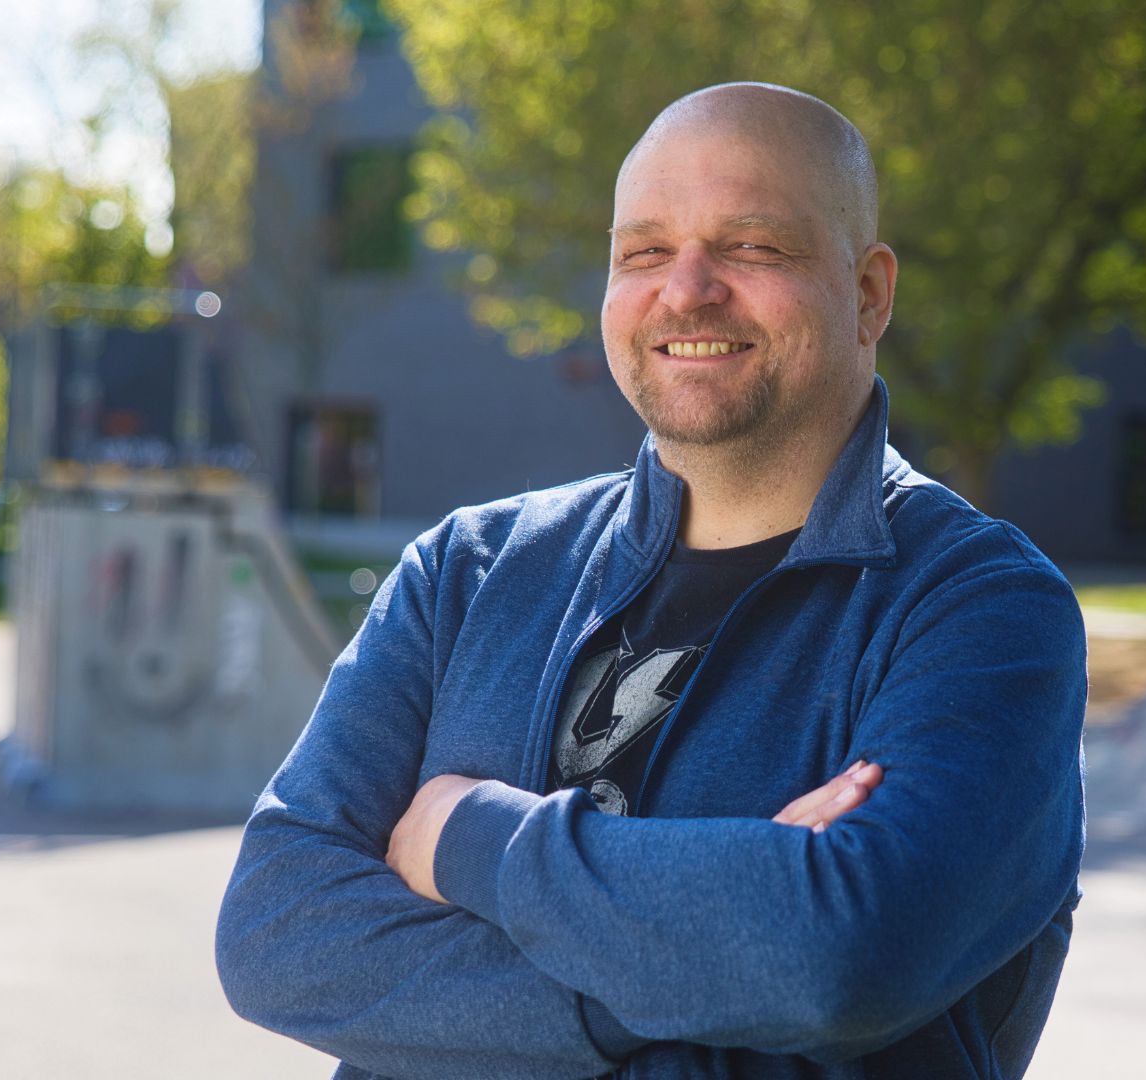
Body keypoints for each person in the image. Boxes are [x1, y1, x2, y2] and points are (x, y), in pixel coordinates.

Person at [216, 82, 1086, 1080]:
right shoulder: (467, 572)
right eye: (644, 251)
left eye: (753, 245)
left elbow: (838, 959)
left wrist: (463, 833)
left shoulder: (981, 609)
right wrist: (713, 952)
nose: (688, 289)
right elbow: (276, 933)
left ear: (870, 294)